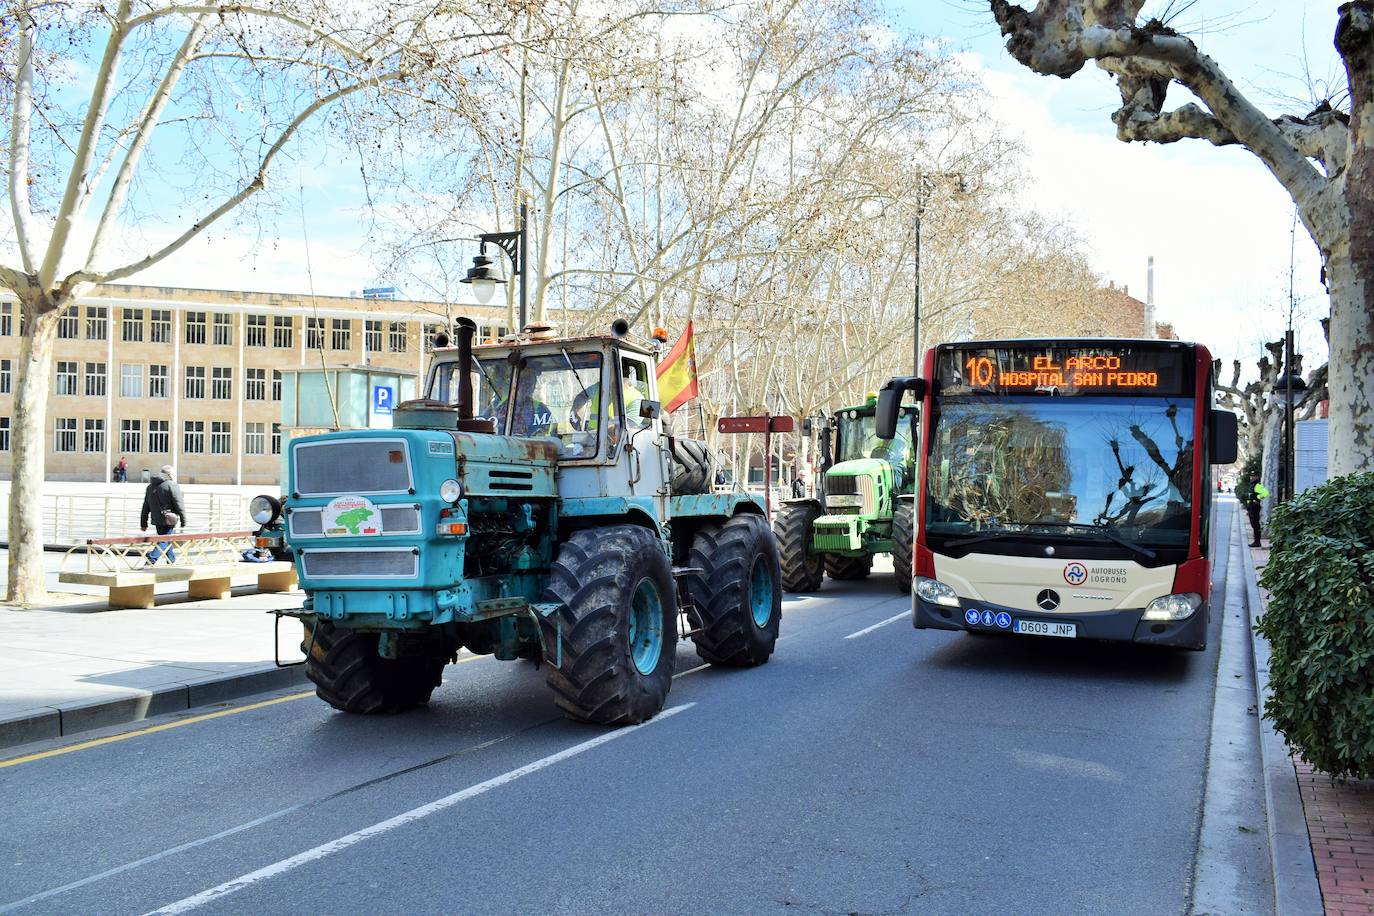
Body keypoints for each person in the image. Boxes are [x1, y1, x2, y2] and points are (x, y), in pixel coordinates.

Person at [140, 465, 189, 565]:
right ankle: (151, 558)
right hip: (169, 519)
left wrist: (143, 523)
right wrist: (183, 520)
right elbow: (179, 503)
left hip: (156, 519)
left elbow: (146, 506)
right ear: (170, 474)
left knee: (166, 538)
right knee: (164, 540)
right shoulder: (172, 485)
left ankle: (171, 559)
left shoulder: (150, 487)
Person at [1247, 481, 1270, 548]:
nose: (1252, 478)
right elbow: (1250, 497)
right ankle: (1256, 541)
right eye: (1251, 476)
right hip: (1251, 507)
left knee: (1256, 525)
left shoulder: (1257, 485)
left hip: (1255, 507)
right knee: (1253, 524)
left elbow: (1265, 493)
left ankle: (1257, 542)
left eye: (1254, 476)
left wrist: (1258, 497)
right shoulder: (1252, 485)